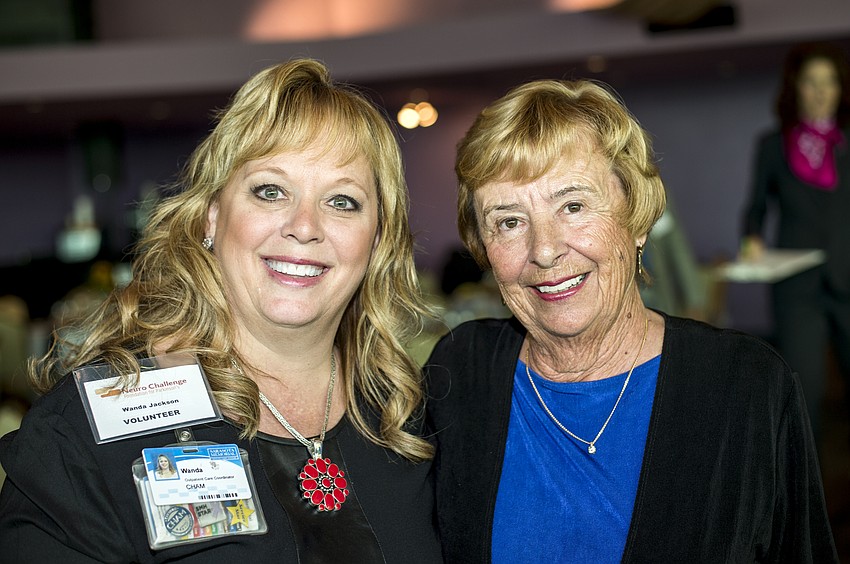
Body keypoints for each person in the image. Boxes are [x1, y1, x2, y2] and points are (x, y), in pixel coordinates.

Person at [0, 58, 442, 563]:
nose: (304, 225)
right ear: (212, 216)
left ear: (378, 239)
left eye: (342, 202)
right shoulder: (85, 433)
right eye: (270, 191)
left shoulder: (410, 418)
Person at [425, 78, 838, 562]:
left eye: (573, 206)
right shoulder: (461, 370)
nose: (544, 250)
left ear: (637, 219)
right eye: (509, 221)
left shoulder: (746, 386)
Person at [740, 41, 850, 444]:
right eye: (811, 82)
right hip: (796, 286)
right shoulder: (772, 145)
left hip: (848, 280)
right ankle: (811, 498)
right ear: (796, 88)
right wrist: (751, 239)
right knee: (806, 397)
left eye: (829, 82)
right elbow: (754, 207)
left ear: (840, 89)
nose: (821, 91)